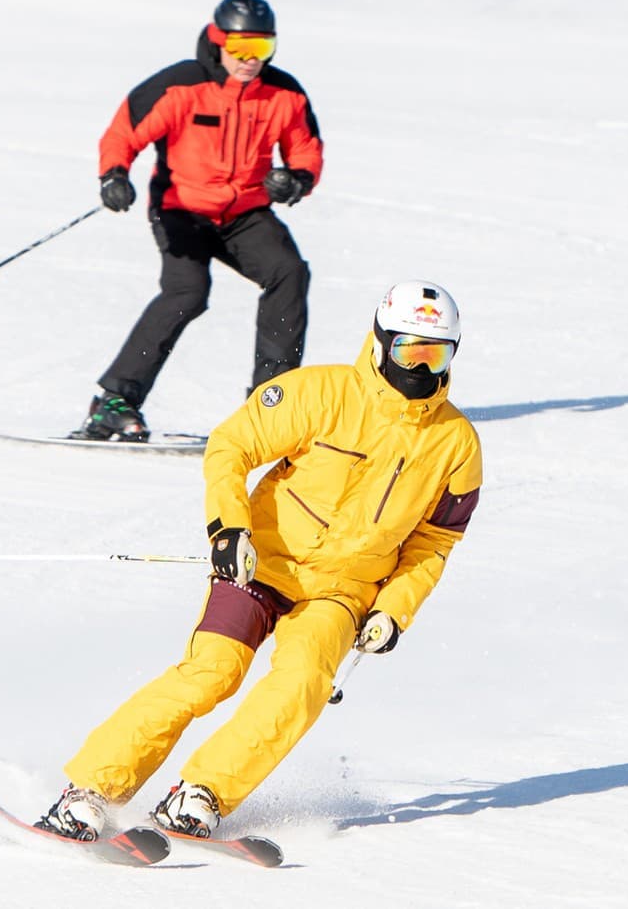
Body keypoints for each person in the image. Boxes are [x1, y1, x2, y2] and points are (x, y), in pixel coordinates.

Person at [37, 280, 483, 839]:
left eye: (434, 355)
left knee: (301, 686)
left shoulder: (456, 443)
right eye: (408, 350)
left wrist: (394, 609)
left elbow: (434, 542)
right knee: (212, 673)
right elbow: (232, 445)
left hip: (342, 592)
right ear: (380, 342)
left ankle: (202, 794)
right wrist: (229, 529)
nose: (419, 367)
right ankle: (90, 790)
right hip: (259, 566)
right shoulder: (321, 393)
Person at [73, 0, 324, 442]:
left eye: (262, 47)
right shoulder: (181, 86)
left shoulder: (284, 94)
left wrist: (294, 181)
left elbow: (306, 150)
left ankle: (271, 404)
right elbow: (124, 131)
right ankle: (114, 401)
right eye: (241, 47)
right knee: (187, 292)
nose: (251, 60)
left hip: (244, 213)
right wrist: (114, 176)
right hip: (181, 209)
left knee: (288, 272)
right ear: (217, 40)